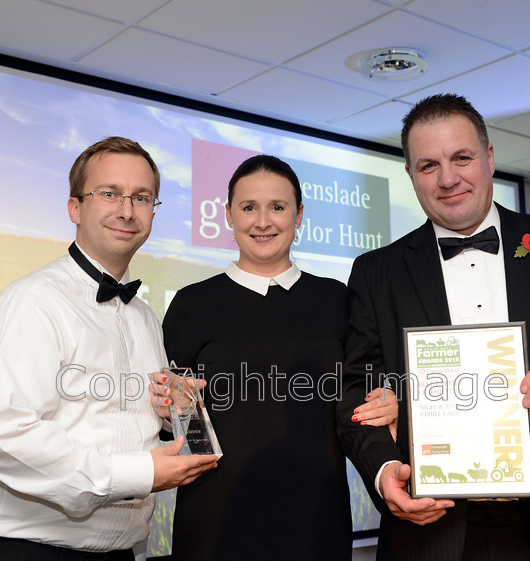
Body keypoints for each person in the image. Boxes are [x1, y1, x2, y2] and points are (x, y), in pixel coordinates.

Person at [337, 94, 530, 561]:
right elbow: (355, 389)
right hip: (430, 527)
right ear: (410, 175)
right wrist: (384, 471)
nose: (448, 178)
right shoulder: (375, 272)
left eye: (461, 157)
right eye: (428, 165)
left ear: (488, 156)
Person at [0, 137, 218, 561]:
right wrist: (142, 472)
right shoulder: (33, 301)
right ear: (74, 208)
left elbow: (127, 424)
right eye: (109, 194)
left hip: (119, 552)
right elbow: (3, 437)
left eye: (141, 197)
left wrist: (178, 411)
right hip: (30, 552)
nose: (126, 210)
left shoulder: (142, 317)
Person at [154, 154, 397, 560]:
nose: (262, 221)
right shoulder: (191, 304)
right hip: (216, 524)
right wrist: (169, 412)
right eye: (248, 207)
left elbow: (358, 399)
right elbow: (178, 422)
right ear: (229, 215)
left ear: (299, 215)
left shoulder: (337, 300)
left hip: (315, 523)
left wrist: (387, 401)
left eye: (278, 207)